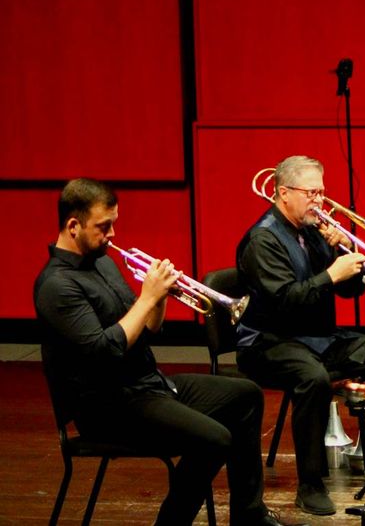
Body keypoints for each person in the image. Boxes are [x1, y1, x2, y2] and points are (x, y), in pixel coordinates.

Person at [35, 178, 297, 526]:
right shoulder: (57, 286)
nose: (112, 234)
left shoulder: (103, 263)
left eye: (113, 223)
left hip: (148, 385)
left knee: (246, 396)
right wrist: (147, 297)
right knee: (214, 440)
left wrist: (159, 299)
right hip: (109, 406)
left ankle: (249, 516)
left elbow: (146, 329)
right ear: (73, 226)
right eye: (103, 226)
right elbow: (103, 350)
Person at [235, 155, 365, 516]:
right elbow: (285, 302)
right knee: (312, 379)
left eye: (322, 193)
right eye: (311, 193)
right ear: (283, 193)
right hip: (269, 341)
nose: (319, 202)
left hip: (317, 338)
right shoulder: (262, 240)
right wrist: (331, 274)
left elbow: (350, 292)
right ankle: (310, 485)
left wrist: (344, 253)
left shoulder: (312, 231)